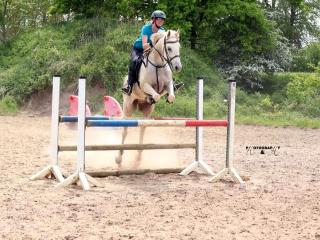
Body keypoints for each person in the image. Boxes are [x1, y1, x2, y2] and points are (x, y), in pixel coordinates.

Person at [122, 10, 183, 95]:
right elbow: (144, 45)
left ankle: (172, 84)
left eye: (162, 19)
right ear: (154, 20)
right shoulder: (146, 28)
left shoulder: (162, 31)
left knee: (166, 60)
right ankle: (129, 85)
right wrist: (151, 46)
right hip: (139, 48)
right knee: (134, 61)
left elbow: (162, 45)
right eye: (159, 19)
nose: (161, 21)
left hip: (152, 49)